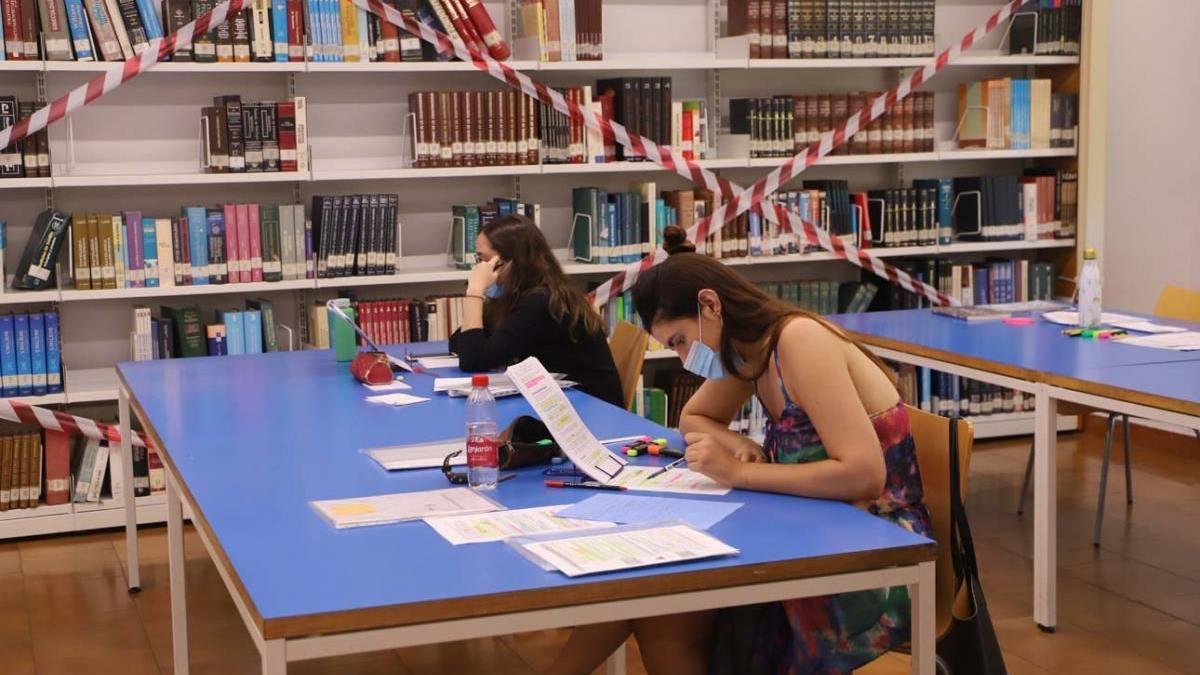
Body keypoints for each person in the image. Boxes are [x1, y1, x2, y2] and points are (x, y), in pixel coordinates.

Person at [543, 226, 930, 675]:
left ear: (710, 305)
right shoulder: (749, 352)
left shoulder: (799, 341)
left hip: (875, 553)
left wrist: (736, 472)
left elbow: (865, 475)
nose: (685, 359)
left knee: (661, 609)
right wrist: (739, 443)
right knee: (647, 596)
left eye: (681, 341)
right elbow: (694, 418)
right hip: (813, 525)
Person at [448, 214, 624, 408]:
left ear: (509, 262)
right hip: (556, 403)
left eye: (483, 260)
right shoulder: (514, 295)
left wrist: (475, 292)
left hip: (589, 410)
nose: (479, 268)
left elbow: (473, 359)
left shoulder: (542, 300)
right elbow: (459, 343)